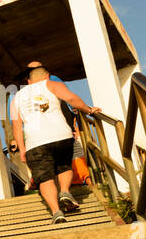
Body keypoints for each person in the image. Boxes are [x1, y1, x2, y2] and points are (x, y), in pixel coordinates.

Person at [11, 61, 98, 224]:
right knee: (64, 167)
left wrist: (22, 149)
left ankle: (56, 211)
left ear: (28, 81)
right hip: (61, 135)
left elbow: (16, 126)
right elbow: (72, 99)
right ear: (47, 76)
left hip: (34, 142)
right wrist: (89, 109)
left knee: (44, 178)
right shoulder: (52, 84)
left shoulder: (17, 98)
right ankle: (65, 191)